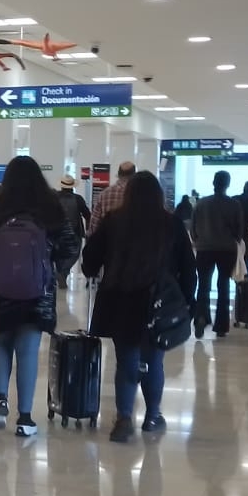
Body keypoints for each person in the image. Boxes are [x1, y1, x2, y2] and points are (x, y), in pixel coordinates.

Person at [81, 171, 195, 443]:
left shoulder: (114, 221)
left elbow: (89, 262)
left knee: (126, 359)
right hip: (158, 301)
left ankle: (124, 418)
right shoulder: (172, 224)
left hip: (121, 299)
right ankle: (152, 416)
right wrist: (186, 303)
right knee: (154, 359)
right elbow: (189, 269)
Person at [0, 156, 79, 438]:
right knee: (28, 350)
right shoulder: (49, 208)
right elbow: (70, 246)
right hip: (37, 292)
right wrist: (54, 269)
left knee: (1, 340)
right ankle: (26, 418)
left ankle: (0, 399)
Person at [190, 170, 244, 338]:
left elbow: (193, 228)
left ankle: (200, 318)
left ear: (213, 183)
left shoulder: (201, 203)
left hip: (204, 249)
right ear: (227, 184)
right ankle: (221, 326)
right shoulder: (234, 204)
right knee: (223, 285)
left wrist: (199, 240)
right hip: (226, 249)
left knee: (204, 285)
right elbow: (239, 230)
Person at [55, 174, 91, 288]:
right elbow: (87, 215)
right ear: (72, 187)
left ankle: (61, 274)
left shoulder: (55, 197)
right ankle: (62, 273)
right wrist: (89, 229)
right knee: (73, 254)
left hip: (57, 231)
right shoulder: (78, 199)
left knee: (58, 255)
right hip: (75, 232)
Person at [88, 160, 135, 234]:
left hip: (107, 241)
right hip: (132, 242)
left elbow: (94, 223)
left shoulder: (104, 194)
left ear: (119, 174)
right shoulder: (139, 194)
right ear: (134, 175)